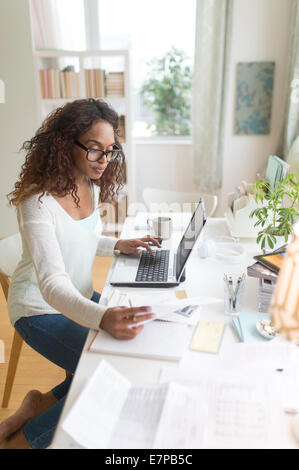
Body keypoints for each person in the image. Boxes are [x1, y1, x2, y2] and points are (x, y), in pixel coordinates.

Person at [0, 98, 160, 449]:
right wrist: (102, 317)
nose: (104, 161)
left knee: (130, 350)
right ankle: (22, 442)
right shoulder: (37, 202)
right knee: (112, 373)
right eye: (94, 150)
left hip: (80, 296)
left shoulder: (88, 184)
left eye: (110, 151)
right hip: (39, 308)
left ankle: (40, 404)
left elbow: (81, 238)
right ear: (64, 143)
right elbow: (52, 283)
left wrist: (117, 245)